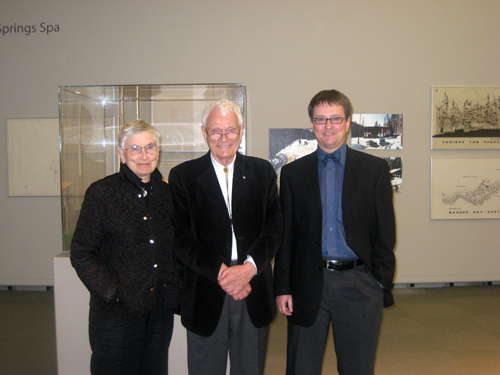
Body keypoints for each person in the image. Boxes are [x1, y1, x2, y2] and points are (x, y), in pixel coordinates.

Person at [274, 90, 396, 375]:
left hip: (359, 285)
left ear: (348, 121)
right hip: (307, 284)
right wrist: (283, 288)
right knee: (301, 367)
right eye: (320, 119)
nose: (328, 126)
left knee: (357, 368)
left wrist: (379, 282)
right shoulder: (293, 174)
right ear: (312, 124)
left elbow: (385, 233)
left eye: (335, 119)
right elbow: (286, 236)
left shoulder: (374, 170)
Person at [168, 99, 283, 375]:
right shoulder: (183, 176)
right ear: (204, 132)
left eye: (230, 130)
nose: (223, 138)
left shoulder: (262, 171)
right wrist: (225, 275)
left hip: (253, 290)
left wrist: (249, 269)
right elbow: (180, 237)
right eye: (215, 131)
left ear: (241, 131)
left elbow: (274, 227)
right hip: (206, 290)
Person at [71, 119, 182, 375]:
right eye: (135, 149)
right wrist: (115, 291)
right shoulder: (102, 193)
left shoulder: (168, 194)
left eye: (150, 147)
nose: (143, 155)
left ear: (158, 151)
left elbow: (175, 246)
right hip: (116, 315)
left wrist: (173, 285)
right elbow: (82, 252)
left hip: (158, 310)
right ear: (122, 154)